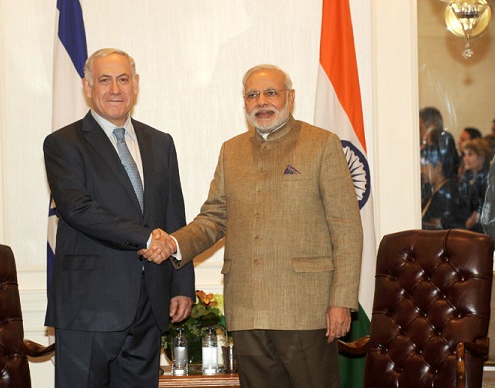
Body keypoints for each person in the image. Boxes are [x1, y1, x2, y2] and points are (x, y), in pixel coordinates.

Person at [142, 64, 363, 388]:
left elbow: (346, 228)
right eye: (252, 95)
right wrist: (173, 243)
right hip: (247, 309)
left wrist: (341, 301)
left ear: (290, 97)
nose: (262, 101)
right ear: (244, 102)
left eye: (271, 92)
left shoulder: (322, 144)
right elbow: (214, 218)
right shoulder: (231, 151)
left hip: (304, 309)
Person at [43, 48, 195, 388]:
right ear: (87, 86)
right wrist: (146, 238)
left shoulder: (160, 142)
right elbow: (77, 208)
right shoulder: (63, 143)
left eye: (123, 79)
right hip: (89, 305)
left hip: (150, 304)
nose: (115, 89)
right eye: (105, 80)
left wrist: (181, 285)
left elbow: (174, 213)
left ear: (136, 84)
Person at [420, 131, 466, 230]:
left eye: (425, 166)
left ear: (439, 167)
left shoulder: (447, 193)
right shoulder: (432, 191)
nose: (422, 170)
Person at [459, 138, 493, 232]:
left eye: (470, 154)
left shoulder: (488, 178)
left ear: (481, 157)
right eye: (465, 154)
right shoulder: (467, 177)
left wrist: (476, 217)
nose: (465, 158)